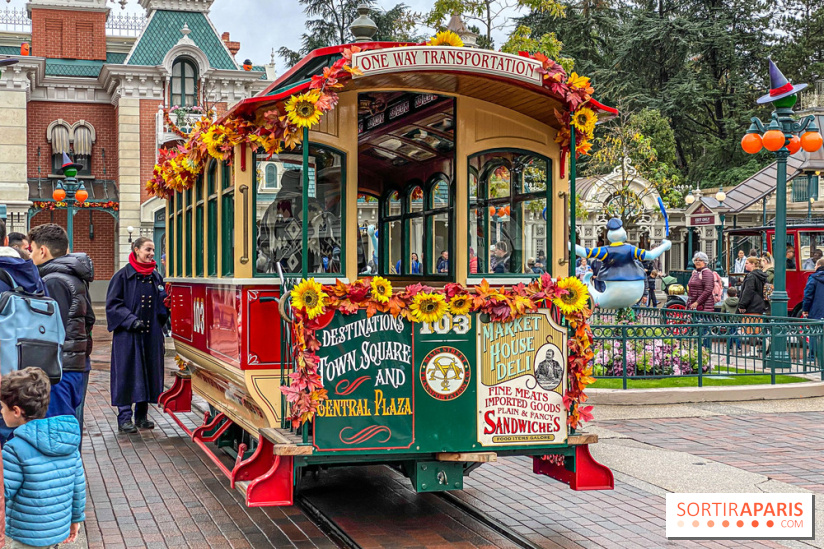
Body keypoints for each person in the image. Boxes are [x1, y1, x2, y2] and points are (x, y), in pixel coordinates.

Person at [2, 368, 85, 547]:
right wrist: (75, 519)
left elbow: (4, 491)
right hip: (58, 530)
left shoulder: (15, 449)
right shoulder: (67, 441)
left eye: (2, 407)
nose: (1, 412)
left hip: (27, 534)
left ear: (16, 411)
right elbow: (78, 487)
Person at [28, 224, 95, 434]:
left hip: (60, 368)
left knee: (58, 432)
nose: (30, 255)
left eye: (31, 249)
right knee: (68, 428)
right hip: (73, 363)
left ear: (42, 251)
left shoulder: (53, 281)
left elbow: (52, 330)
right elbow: (89, 319)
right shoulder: (73, 277)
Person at [106, 237, 168, 434]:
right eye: (148, 249)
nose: (151, 253)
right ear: (136, 250)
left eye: (153, 250)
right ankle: (124, 418)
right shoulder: (122, 276)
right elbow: (113, 305)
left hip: (151, 335)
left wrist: (166, 307)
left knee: (148, 372)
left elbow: (161, 304)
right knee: (126, 373)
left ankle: (142, 416)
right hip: (128, 336)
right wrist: (131, 320)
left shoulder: (156, 277)